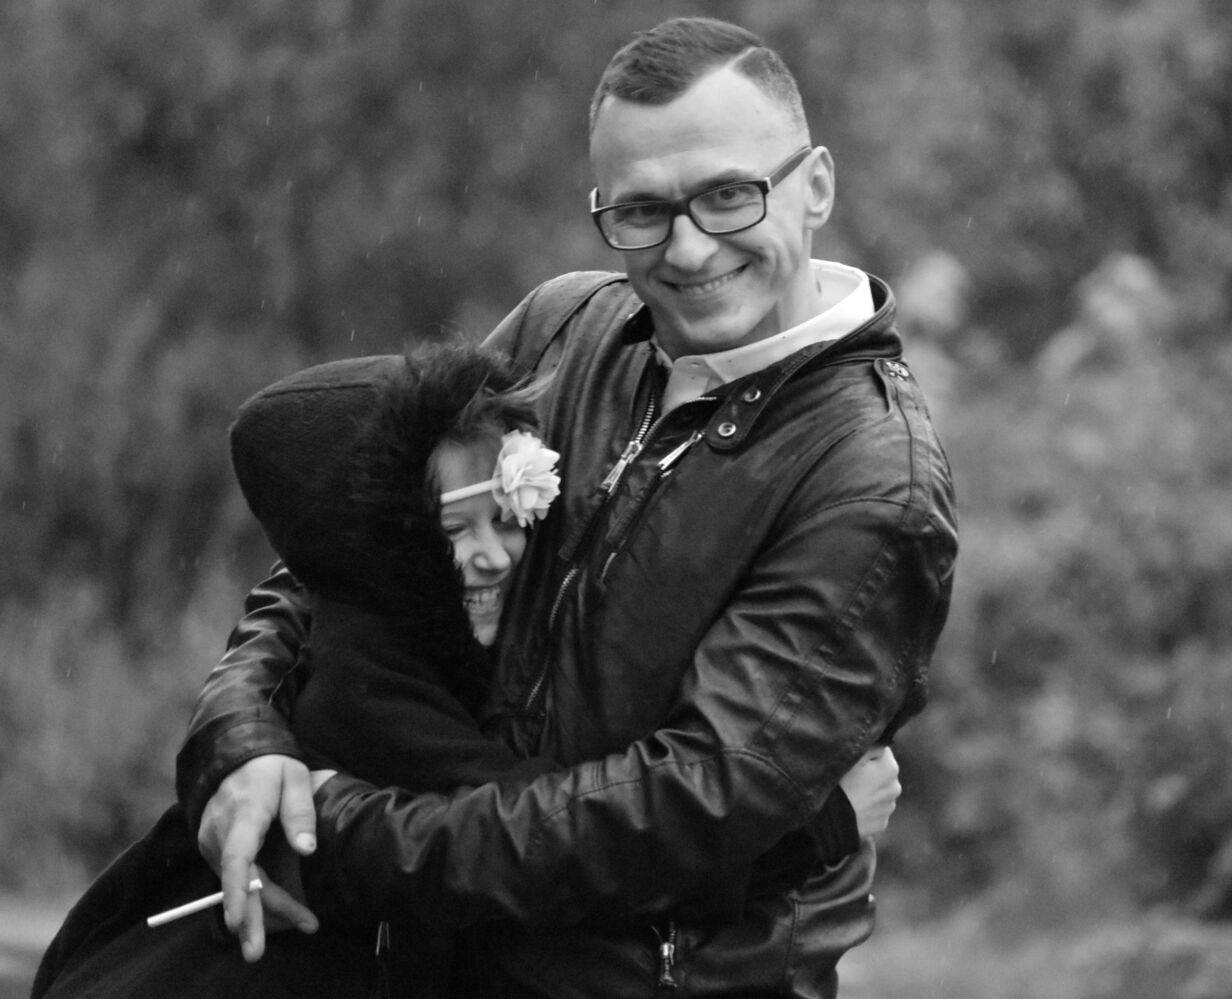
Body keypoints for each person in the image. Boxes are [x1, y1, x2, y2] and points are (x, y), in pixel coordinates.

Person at [178, 15, 958, 997]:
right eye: (641, 210)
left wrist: (334, 832)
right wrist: (242, 748)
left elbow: (674, 815)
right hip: (423, 962)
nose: (686, 249)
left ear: (814, 187)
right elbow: (340, 556)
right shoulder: (564, 326)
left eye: (727, 195)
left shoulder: (868, 477)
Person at [33, 344, 900, 998]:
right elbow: (547, 848)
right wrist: (812, 830)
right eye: (452, 531)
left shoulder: (399, 629)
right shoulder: (368, 679)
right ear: (381, 543)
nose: (493, 556)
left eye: (508, 519)